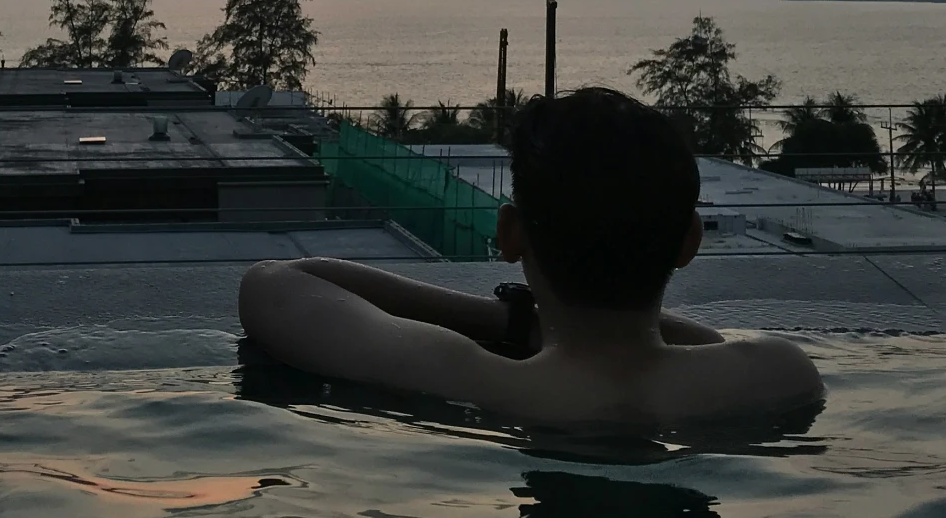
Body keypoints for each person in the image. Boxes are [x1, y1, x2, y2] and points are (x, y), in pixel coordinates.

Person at [239, 86, 822, 428]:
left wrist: (516, 317)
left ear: (510, 235)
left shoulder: (475, 381)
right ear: (689, 242)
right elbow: (713, 344)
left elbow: (275, 284)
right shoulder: (776, 374)